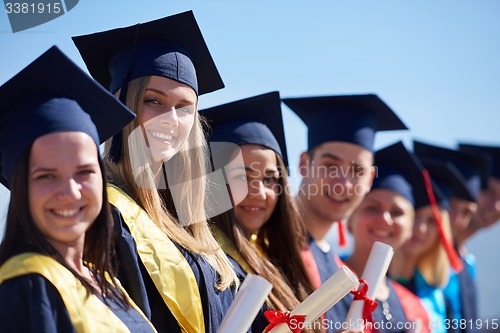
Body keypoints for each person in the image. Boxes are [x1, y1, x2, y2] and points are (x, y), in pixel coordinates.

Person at [73, 11, 239, 333]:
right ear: (121, 104)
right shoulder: (102, 214)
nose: (171, 119)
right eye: (153, 100)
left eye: (184, 107)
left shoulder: (187, 223)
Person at [0, 46, 155, 332]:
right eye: (47, 176)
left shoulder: (105, 283)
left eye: (84, 172)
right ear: (20, 187)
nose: (70, 192)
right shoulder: (29, 287)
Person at [282, 94, 408, 329]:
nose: (344, 183)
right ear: (303, 163)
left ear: (370, 179)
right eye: (330, 166)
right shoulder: (271, 243)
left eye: (357, 170)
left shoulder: (340, 271)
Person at [201, 91, 319, 332]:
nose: (259, 192)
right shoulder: (207, 264)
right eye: (242, 176)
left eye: (269, 179)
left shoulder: (278, 259)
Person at [329, 142, 431, 333]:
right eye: (372, 208)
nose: (384, 219)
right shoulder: (323, 282)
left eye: (397, 212)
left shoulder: (414, 309)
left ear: (410, 228)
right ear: (350, 219)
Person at [414, 141, 492, 333]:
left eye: (466, 212)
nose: (455, 219)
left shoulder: (465, 265)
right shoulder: (405, 267)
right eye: (450, 207)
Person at [391, 159, 464, 333]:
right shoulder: (359, 277)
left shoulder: (438, 299)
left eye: (432, 221)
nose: (420, 228)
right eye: (414, 215)